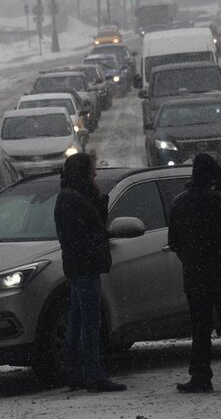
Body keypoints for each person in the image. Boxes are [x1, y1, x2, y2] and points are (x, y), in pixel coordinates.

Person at [168, 153, 221, 393]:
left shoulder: (180, 203)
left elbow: (174, 242)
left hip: (196, 275)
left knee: (200, 329)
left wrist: (191, 258)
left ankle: (201, 376)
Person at [53, 152, 127, 393]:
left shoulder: (72, 197)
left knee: (78, 320)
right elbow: (82, 236)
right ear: (83, 173)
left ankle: (77, 373)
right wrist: (95, 250)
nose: (95, 174)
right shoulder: (73, 200)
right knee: (89, 322)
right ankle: (92, 374)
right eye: (91, 170)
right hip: (84, 268)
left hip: (79, 267)